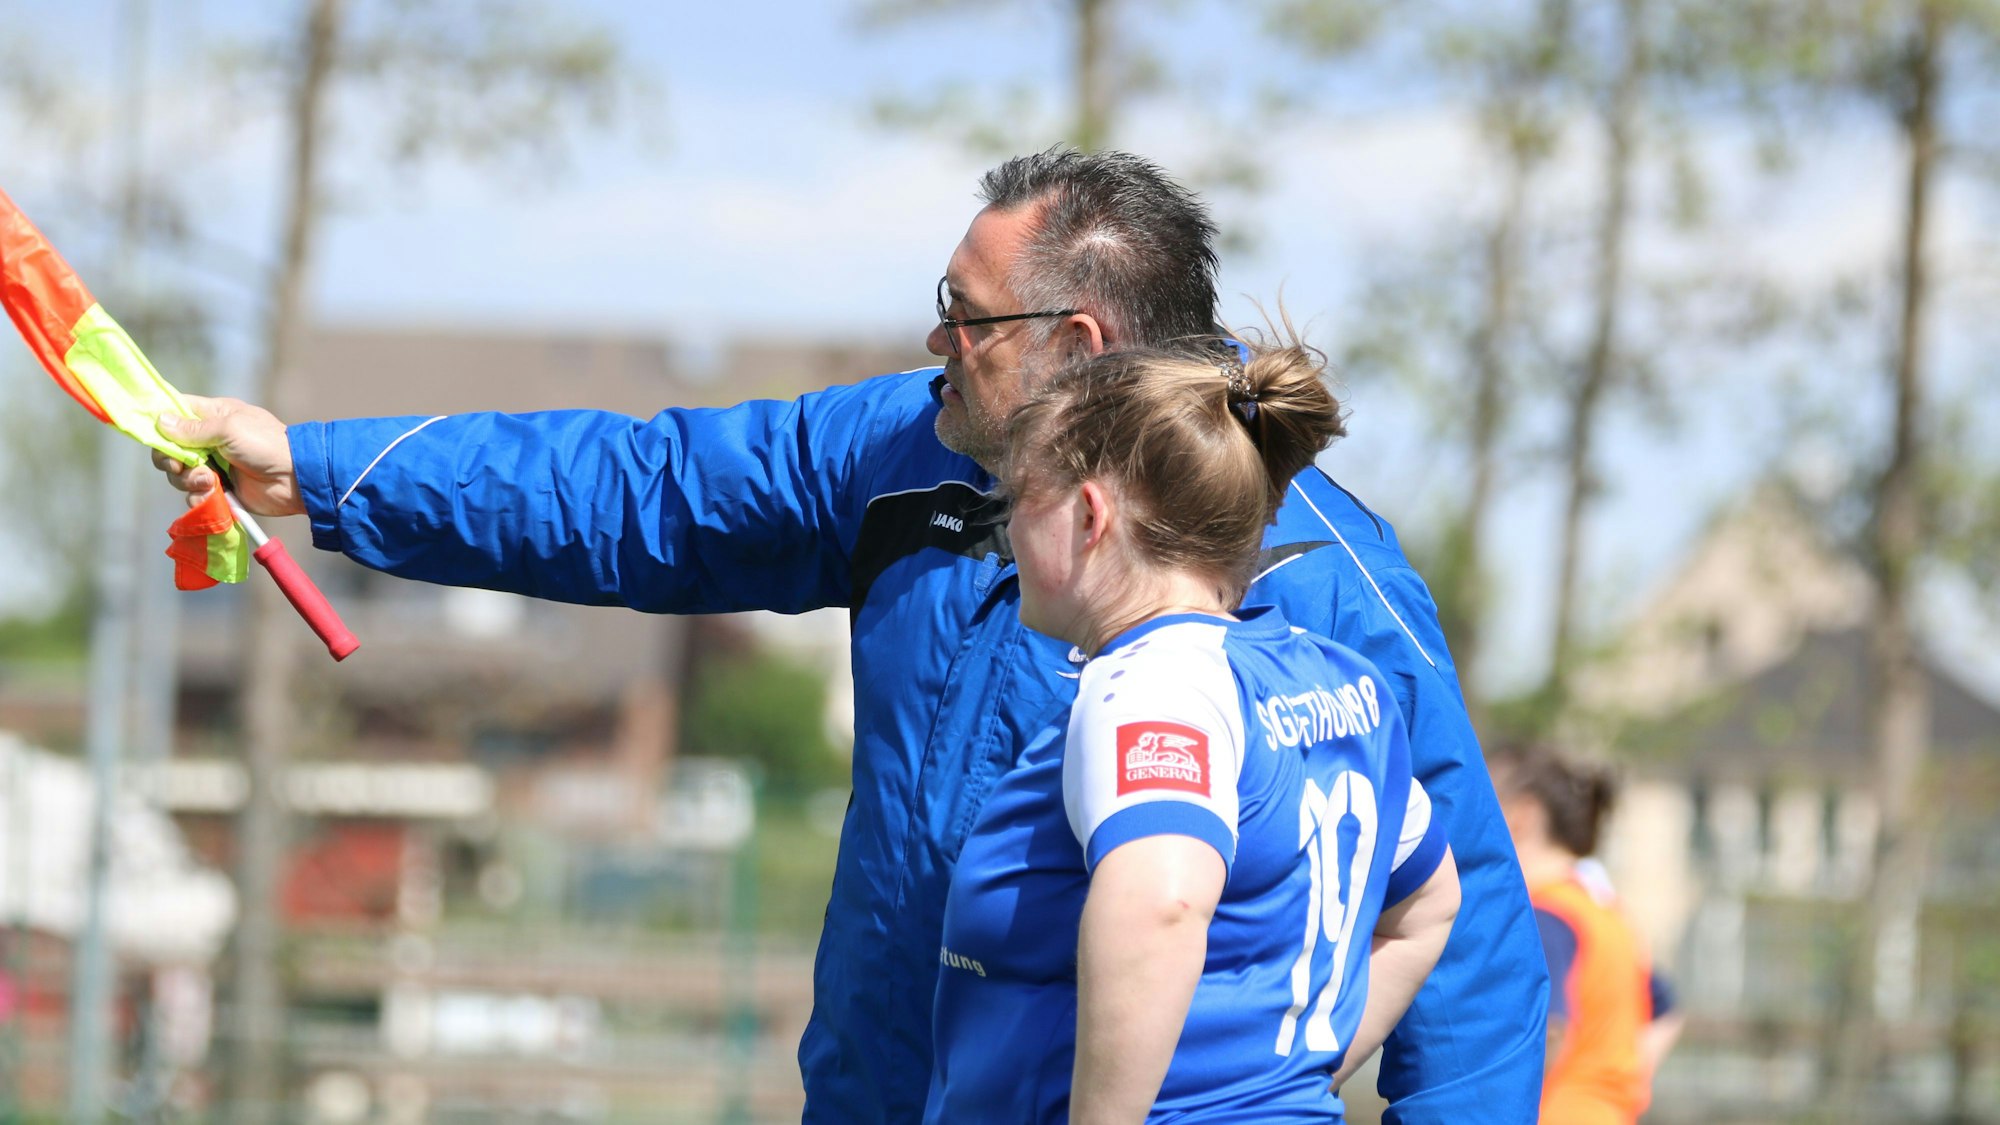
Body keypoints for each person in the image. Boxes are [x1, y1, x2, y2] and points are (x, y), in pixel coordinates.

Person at [152, 147, 1547, 1123]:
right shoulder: (904, 448)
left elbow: (1461, 925)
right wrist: (315, 470)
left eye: (962, 313)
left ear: (1071, 340)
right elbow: (640, 490)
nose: (933, 340)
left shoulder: (1323, 585)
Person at [928, 338, 1460, 1123]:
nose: (1003, 526)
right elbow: (1429, 905)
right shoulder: (1342, 682)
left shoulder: (1156, 677)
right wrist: (1283, 1089)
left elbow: (1163, 906)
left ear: (1087, 514)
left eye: (1016, 497)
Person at [1493, 744, 1681, 1125]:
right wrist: (1611, 1088)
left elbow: (1549, 1030)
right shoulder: (1603, 911)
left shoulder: (1544, 916)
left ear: (1521, 815)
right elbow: (1665, 1011)